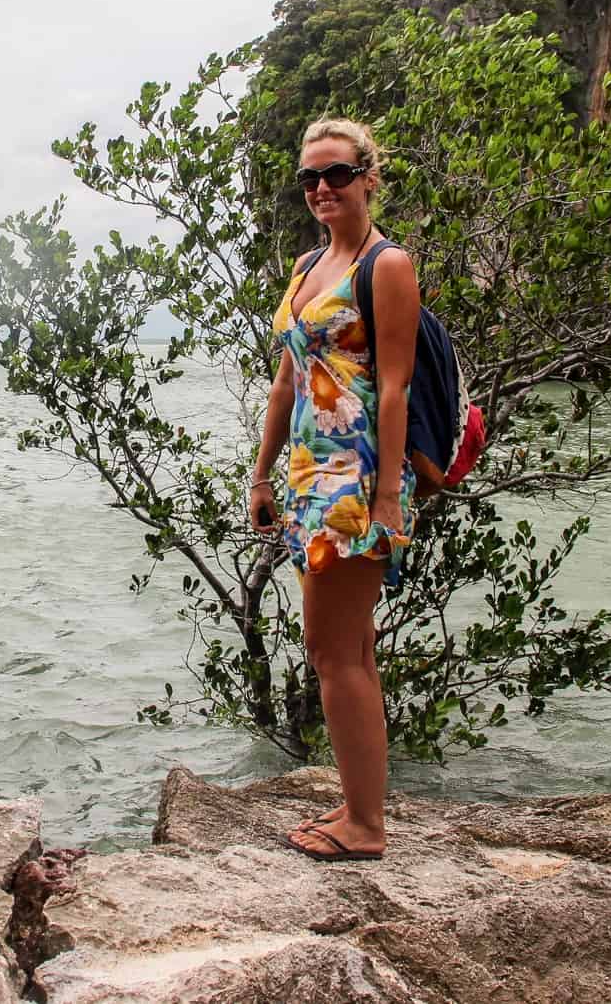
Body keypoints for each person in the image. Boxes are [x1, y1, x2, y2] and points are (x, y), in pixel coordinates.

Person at [247, 117, 418, 864]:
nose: (322, 188)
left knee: (330, 650)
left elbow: (394, 387)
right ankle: (360, 807)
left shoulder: (386, 266)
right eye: (310, 178)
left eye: (337, 174)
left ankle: (365, 827)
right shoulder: (305, 266)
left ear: (368, 177)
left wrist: (385, 499)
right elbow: (286, 378)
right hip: (309, 476)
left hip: (354, 478)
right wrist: (262, 471)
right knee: (351, 648)